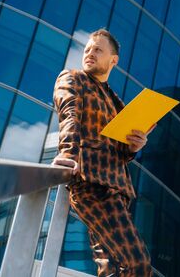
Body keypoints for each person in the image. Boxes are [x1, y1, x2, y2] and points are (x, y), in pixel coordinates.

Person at [52, 29, 155, 277]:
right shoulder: (72, 78)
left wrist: (134, 145)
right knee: (138, 264)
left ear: (113, 60)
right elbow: (70, 115)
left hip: (117, 188)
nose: (89, 53)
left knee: (111, 269)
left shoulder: (116, 102)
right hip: (92, 183)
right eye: (87, 49)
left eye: (97, 49)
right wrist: (67, 152)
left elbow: (121, 150)